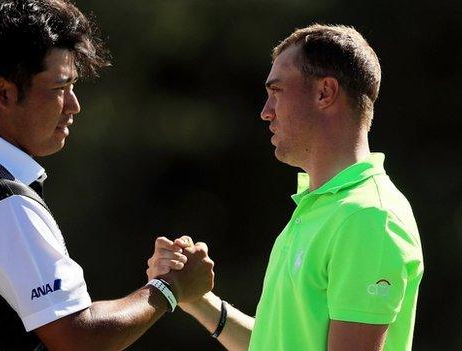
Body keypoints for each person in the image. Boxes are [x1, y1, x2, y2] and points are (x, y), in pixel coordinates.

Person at [0, 1, 214, 350]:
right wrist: (169, 288)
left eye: (73, 87)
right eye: (59, 88)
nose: (73, 105)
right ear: (2, 93)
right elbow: (80, 339)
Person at [147, 24, 424, 351]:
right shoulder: (323, 208)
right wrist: (198, 301)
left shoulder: (368, 217)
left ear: (325, 92)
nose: (265, 112)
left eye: (276, 91)